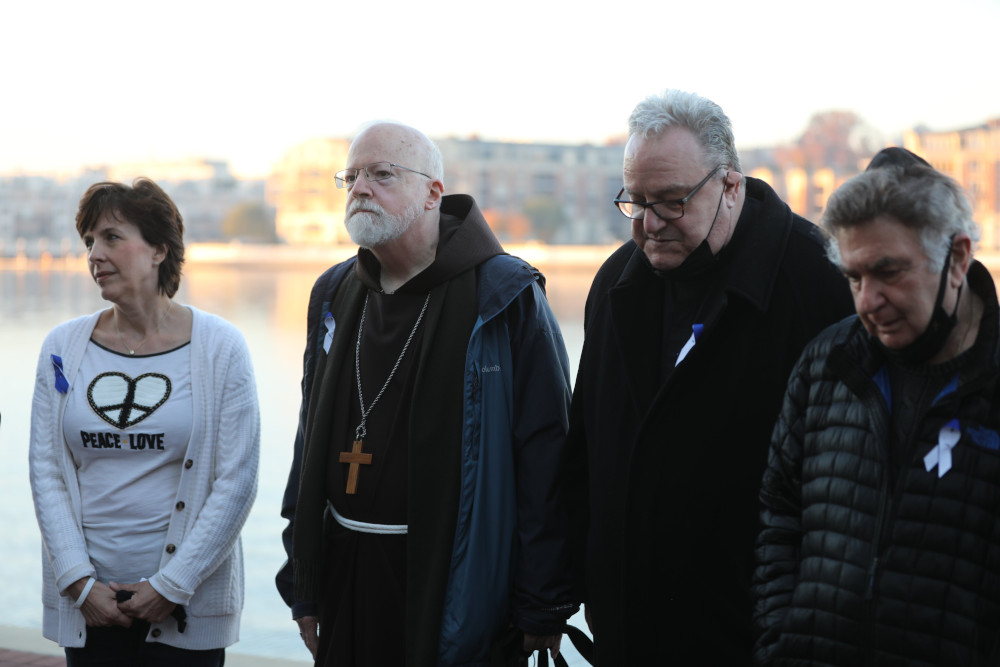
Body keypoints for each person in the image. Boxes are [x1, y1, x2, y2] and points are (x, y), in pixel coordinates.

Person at [565, 89, 854, 665]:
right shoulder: (616, 282)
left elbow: (846, 487)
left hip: (754, 637)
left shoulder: (816, 281)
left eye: (671, 202)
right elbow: (585, 449)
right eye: (636, 201)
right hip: (626, 634)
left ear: (730, 184)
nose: (649, 224)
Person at [275, 121, 576, 666]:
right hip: (344, 575)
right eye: (352, 176)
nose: (360, 188)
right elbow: (307, 438)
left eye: (382, 174)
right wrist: (304, 580)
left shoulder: (504, 295)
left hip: (454, 580)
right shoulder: (335, 293)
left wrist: (543, 602)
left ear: (434, 192)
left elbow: (546, 454)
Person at [753, 149, 1000, 665]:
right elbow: (780, 513)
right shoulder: (825, 363)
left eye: (888, 272)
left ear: (957, 258)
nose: (867, 301)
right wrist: (782, 641)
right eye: (854, 278)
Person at [29, 178, 260, 666]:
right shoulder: (61, 347)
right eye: (90, 241)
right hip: (91, 607)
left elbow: (236, 480)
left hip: (185, 609)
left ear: (158, 249)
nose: (94, 253)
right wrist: (77, 582)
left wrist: (171, 587)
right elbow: (47, 471)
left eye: (112, 237)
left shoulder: (220, 347)